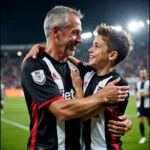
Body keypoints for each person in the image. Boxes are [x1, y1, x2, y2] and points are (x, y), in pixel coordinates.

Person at [21, 6, 130, 150]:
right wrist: (102, 96)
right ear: (56, 32)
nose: (80, 40)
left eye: (80, 34)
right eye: (75, 33)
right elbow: (62, 111)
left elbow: (102, 102)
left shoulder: (78, 70)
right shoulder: (35, 66)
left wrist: (123, 119)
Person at [135, 68, 150, 144]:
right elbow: (136, 90)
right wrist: (136, 96)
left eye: (144, 73)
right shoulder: (137, 83)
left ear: (146, 74)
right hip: (140, 105)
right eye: (141, 73)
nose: (142, 74)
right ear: (140, 74)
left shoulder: (149, 83)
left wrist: (145, 94)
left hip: (148, 105)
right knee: (141, 120)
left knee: (149, 120)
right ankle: (143, 137)